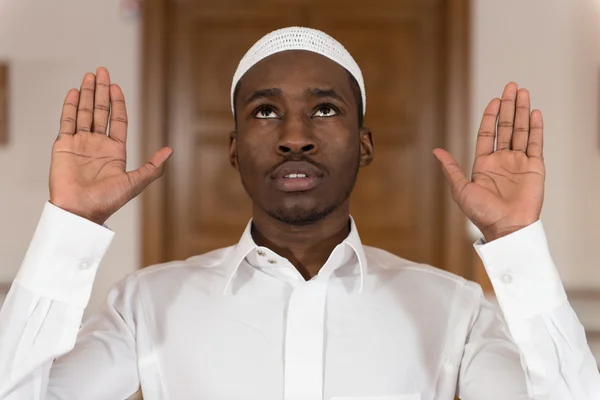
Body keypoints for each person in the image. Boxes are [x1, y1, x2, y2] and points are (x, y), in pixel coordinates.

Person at [0, 27, 598, 400]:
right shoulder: (145, 305)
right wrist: (70, 224)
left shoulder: (455, 311)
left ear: (364, 144)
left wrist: (516, 239)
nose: (294, 137)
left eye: (326, 109)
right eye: (263, 112)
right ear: (233, 150)